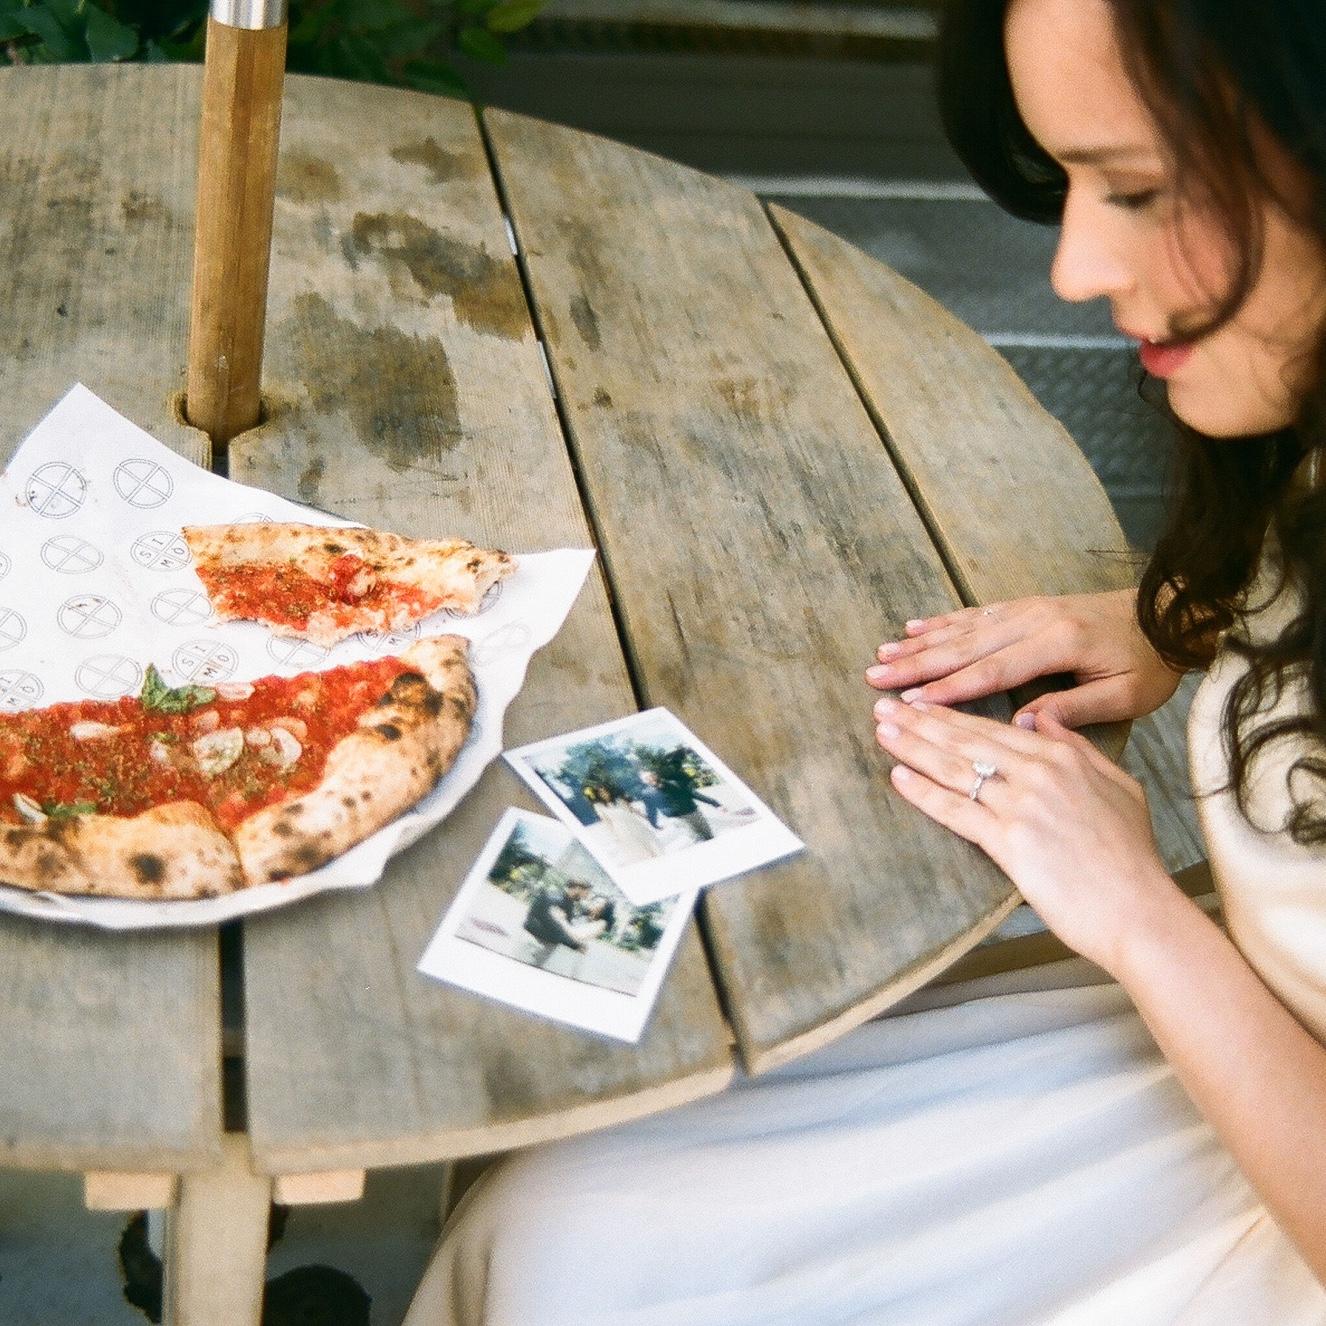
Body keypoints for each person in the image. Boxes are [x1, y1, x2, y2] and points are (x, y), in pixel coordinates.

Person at [403, 1, 1326, 1320]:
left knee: (573, 1248)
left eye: (1137, 188)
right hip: (1229, 1054)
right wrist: (1208, 612)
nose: (1073, 268)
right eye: (1066, 182)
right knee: (559, 1185)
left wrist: (1137, 914)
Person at [518, 877, 591, 969]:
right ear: (577, 889)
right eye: (586, 893)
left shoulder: (566, 901)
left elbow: (567, 925)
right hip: (535, 936)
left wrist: (584, 915)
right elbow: (556, 929)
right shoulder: (557, 900)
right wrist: (575, 945)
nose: (586, 897)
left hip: (539, 934)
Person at [638, 766, 722, 844]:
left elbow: (693, 794)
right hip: (676, 818)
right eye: (646, 778)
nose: (650, 779)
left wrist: (715, 804)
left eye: (651, 776)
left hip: (692, 811)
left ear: (655, 775)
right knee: (696, 837)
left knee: (709, 836)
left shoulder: (674, 784)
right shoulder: (648, 794)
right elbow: (651, 809)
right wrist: (654, 823)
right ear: (644, 781)